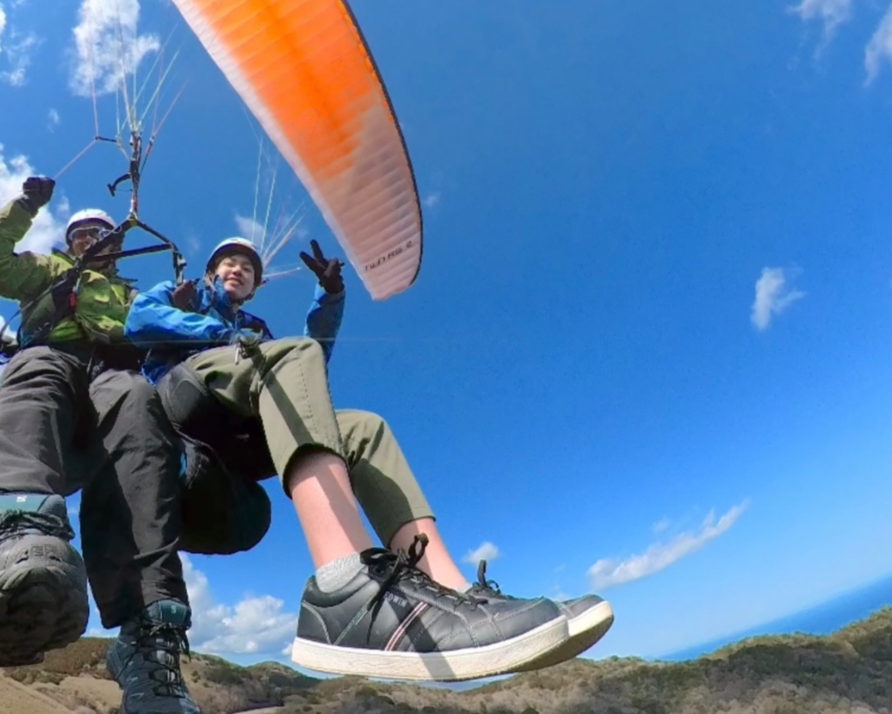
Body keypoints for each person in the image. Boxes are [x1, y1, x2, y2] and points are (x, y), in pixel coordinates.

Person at [125, 237, 612, 682]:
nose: (238, 270)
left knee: (363, 427)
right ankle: (347, 586)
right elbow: (137, 321)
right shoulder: (183, 294)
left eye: (248, 268)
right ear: (212, 272)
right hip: (183, 400)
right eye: (229, 263)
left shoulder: (255, 328)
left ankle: (453, 591)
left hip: (238, 437)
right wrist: (210, 326)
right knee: (289, 355)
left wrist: (329, 300)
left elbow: (308, 364)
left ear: (255, 287)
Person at [0, 175, 200, 714]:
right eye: (83, 234)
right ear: (71, 243)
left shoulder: (134, 299)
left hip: (109, 399)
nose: (94, 239)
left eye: (103, 234)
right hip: (50, 395)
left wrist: (183, 314)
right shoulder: (49, 273)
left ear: (118, 245)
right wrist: (26, 205)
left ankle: (148, 634)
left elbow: (176, 336)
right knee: (39, 367)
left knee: (140, 402)